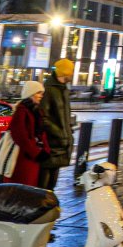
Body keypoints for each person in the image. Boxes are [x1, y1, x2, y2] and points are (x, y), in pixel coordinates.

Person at [1, 80, 51, 187]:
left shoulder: (37, 110)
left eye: (41, 93)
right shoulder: (21, 110)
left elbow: (41, 133)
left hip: (32, 159)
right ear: (30, 93)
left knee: (29, 189)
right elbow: (20, 136)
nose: (41, 96)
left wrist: (45, 150)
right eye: (38, 93)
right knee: (20, 190)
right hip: (21, 159)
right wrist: (36, 152)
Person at [38, 62, 74, 190]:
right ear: (65, 73)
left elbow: (65, 114)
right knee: (43, 185)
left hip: (61, 143)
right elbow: (43, 117)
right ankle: (41, 206)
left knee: (52, 184)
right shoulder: (49, 89)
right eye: (70, 72)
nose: (72, 75)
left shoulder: (63, 89)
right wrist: (59, 133)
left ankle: (49, 205)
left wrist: (69, 129)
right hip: (51, 143)